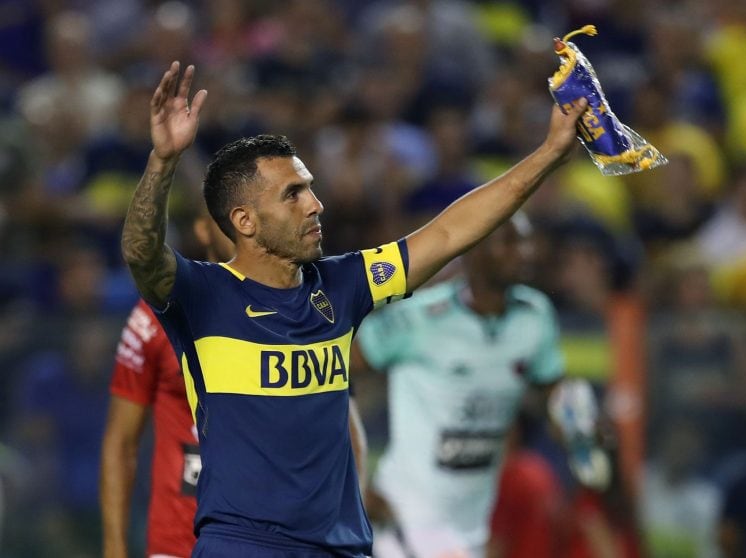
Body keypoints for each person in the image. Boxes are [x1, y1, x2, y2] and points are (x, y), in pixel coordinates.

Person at [119, 60, 587, 557]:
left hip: (341, 547)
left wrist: (550, 153)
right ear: (245, 221)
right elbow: (140, 254)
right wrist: (163, 162)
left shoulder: (343, 284)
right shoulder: (203, 295)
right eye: (293, 194)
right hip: (244, 545)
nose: (315, 204)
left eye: (310, 188)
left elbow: (451, 232)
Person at [100, 206, 370, 558]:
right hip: (176, 543)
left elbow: (348, 433)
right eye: (225, 217)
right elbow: (121, 442)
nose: (242, 228)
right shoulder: (152, 319)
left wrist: (345, 531)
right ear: (202, 229)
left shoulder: (304, 311)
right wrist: (115, 549)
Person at [354, 214, 601, 558]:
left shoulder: (535, 316)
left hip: (472, 527)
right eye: (510, 242)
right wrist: (351, 479)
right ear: (473, 249)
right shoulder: (418, 319)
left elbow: (553, 391)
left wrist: (574, 425)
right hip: (403, 517)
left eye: (527, 242)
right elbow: (332, 375)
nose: (525, 253)